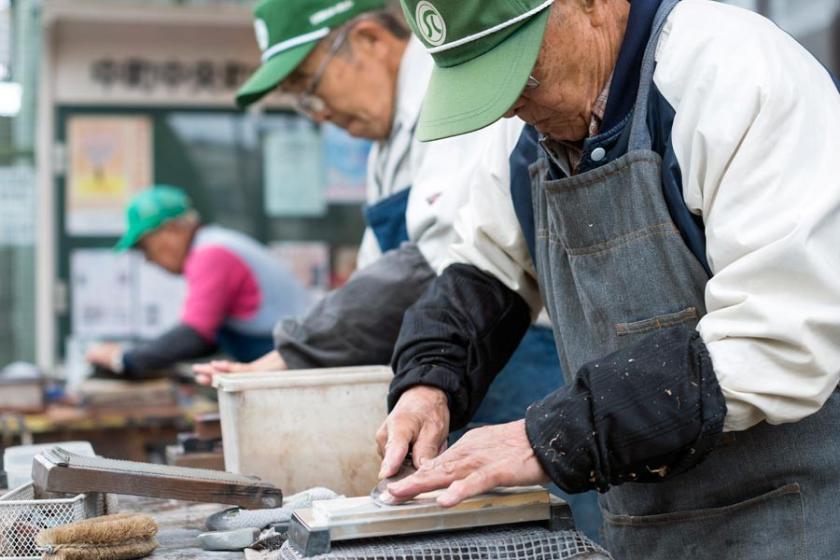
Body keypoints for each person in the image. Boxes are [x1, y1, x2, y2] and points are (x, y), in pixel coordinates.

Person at [376, 0, 840, 557]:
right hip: (643, 529)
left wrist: (548, 436)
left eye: (517, 73)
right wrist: (430, 380)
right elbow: (485, 269)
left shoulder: (734, 74)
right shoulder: (527, 131)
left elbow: (781, 339)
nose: (508, 110)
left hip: (794, 520)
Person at [193, 0, 602, 538]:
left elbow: (439, 261)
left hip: (530, 367)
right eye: (302, 103)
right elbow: (382, 273)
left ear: (367, 39)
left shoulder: (466, 90)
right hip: (458, 376)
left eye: (310, 85)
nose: (318, 112)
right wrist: (418, 384)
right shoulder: (383, 149)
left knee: (569, 529)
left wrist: (290, 355)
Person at [86, 185, 313, 377]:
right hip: (291, 359)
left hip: (301, 364)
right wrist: (137, 355)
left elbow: (194, 334)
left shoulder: (210, 254)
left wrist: (124, 360)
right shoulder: (215, 243)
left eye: (145, 246)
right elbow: (204, 338)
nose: (147, 259)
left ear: (171, 229)